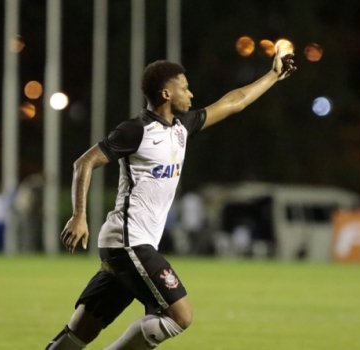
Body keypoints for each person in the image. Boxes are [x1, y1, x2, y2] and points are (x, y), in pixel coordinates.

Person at [46, 45, 296, 349]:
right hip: (129, 242)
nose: (191, 95)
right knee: (179, 316)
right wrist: (79, 215)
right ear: (166, 94)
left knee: (82, 330)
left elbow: (234, 102)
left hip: (127, 245)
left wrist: (273, 75)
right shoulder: (136, 131)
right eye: (185, 88)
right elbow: (84, 163)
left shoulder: (181, 128)